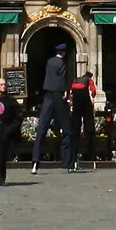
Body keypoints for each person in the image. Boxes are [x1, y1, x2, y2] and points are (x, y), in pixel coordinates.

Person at [31, 43, 73, 175]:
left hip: (48, 95)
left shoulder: (49, 62)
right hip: (58, 96)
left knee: (41, 129)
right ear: (64, 52)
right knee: (67, 129)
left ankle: (35, 163)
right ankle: (68, 163)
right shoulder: (62, 63)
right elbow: (62, 77)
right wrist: (65, 91)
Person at [69, 70, 98, 171]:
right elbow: (93, 90)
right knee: (88, 119)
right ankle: (88, 134)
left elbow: (71, 91)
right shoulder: (89, 80)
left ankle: (75, 131)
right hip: (84, 99)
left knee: (76, 121)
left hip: (76, 99)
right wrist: (93, 99)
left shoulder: (76, 80)